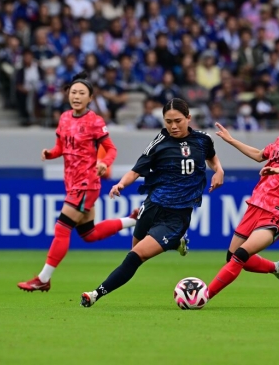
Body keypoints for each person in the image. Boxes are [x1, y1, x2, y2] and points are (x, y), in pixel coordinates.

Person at [80, 98, 225, 307]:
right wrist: (120, 184)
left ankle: (95, 294)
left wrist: (219, 170)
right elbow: (137, 169)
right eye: (168, 121)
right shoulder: (160, 142)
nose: (173, 126)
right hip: (152, 206)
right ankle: (175, 243)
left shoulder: (203, 140)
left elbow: (212, 158)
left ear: (188, 118)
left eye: (178, 121)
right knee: (135, 251)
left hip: (177, 215)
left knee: (135, 256)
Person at [18, 72, 138, 292]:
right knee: (88, 234)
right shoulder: (64, 118)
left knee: (61, 227)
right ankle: (133, 221)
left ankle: (43, 278)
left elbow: (111, 149)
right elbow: (61, 148)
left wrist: (103, 163)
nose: (77, 96)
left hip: (87, 183)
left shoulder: (94, 121)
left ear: (90, 98)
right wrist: (50, 153)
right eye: (73, 92)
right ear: (68, 95)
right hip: (72, 183)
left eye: (82, 93)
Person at [207, 92, 279, 300]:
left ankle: (204, 295)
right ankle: (277, 268)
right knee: (232, 256)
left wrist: (278, 170)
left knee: (241, 255)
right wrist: (231, 140)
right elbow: (259, 155)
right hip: (256, 204)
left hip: (277, 211)